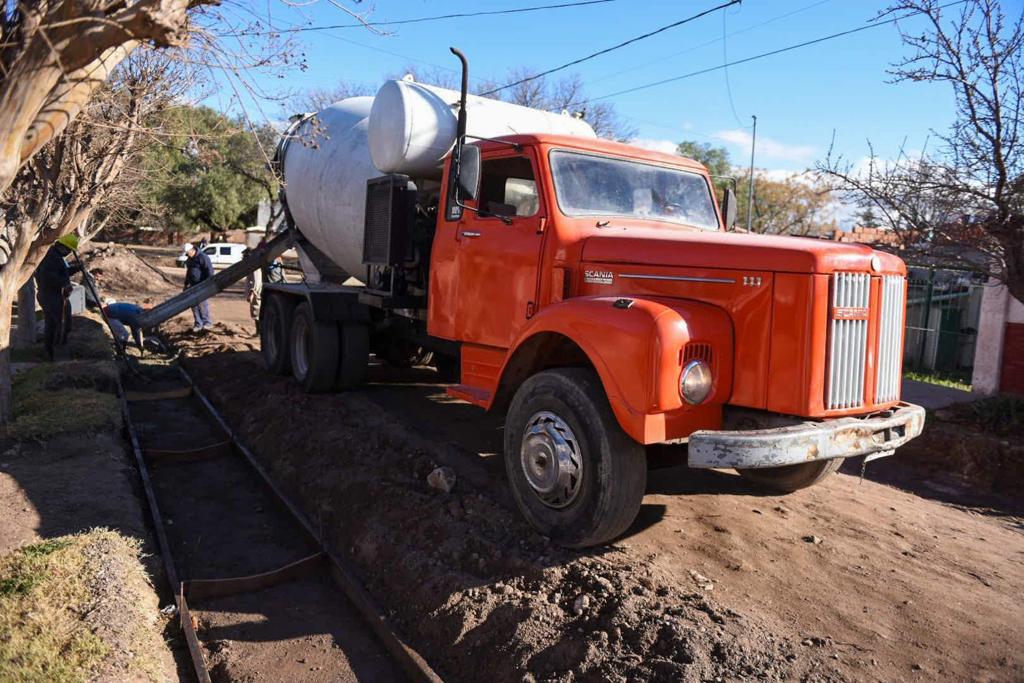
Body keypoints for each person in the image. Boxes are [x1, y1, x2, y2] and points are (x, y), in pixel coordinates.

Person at [34, 233, 81, 360]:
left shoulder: (56, 256)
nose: (69, 253)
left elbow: (61, 273)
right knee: (61, 324)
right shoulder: (51, 257)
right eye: (69, 250)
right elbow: (48, 277)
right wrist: (64, 284)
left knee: (54, 324)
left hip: (54, 295)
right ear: (63, 247)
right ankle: (57, 351)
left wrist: (75, 269)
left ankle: (50, 351)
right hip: (51, 296)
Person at [182, 242, 214, 332]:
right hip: (193, 285)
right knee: (193, 305)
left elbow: (209, 270)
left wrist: (208, 283)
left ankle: (207, 323)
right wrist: (186, 284)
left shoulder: (202, 257)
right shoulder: (190, 259)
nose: (188, 255)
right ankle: (198, 324)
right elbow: (188, 272)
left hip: (202, 285)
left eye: (188, 253)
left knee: (203, 304)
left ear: (192, 250)